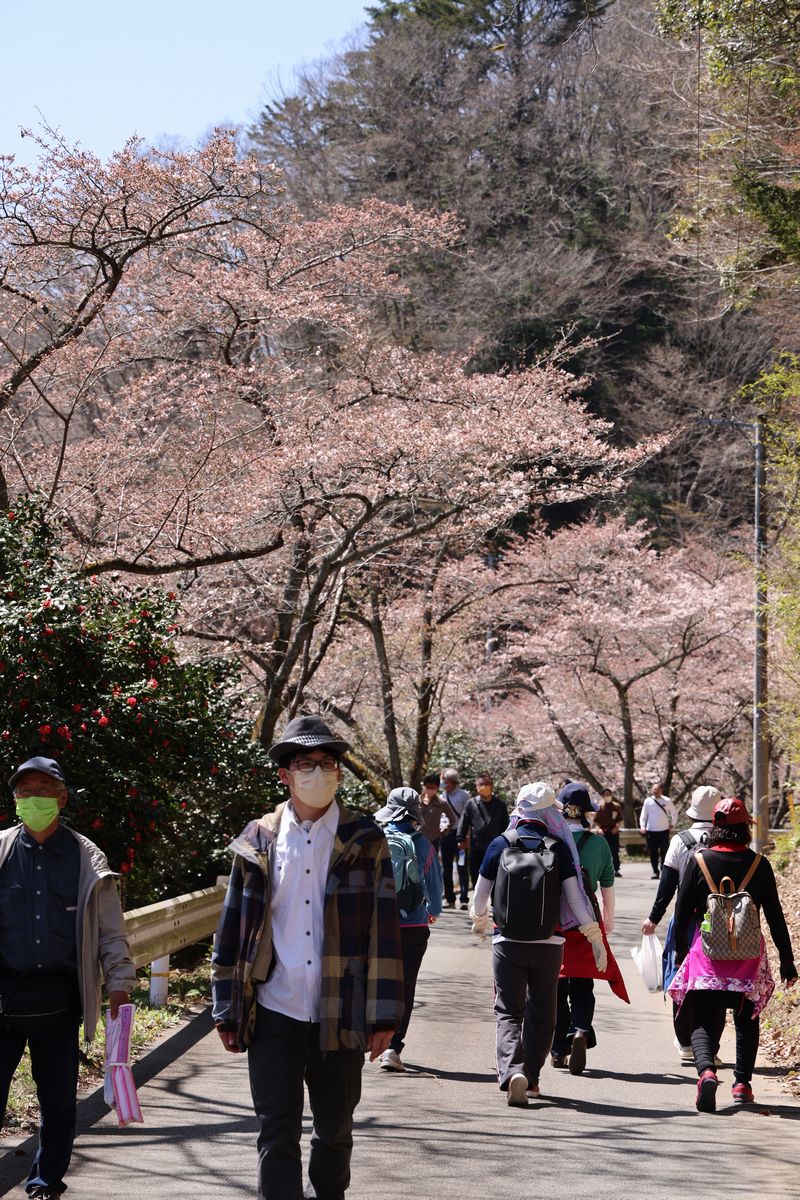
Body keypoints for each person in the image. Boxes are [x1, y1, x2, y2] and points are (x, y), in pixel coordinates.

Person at [211, 715, 404, 1200]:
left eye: (328, 763)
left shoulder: (365, 839)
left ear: (339, 772)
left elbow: (385, 928)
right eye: (306, 764)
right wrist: (226, 1007)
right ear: (285, 773)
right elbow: (234, 926)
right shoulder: (258, 839)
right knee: (276, 1132)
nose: (318, 772)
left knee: (334, 1131)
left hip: (341, 1008)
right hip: (274, 1008)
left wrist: (384, 1015)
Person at [0, 756, 136, 1200]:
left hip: (60, 997)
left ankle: (45, 1181)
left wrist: (120, 982)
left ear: (61, 797)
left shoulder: (86, 858)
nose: (33, 797)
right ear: (14, 799)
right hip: (3, 994)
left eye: (43, 789)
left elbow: (110, 930)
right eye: (25, 791)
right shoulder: (1, 850)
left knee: (58, 1102)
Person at [469, 782, 606, 1106]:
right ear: (547, 812)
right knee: (543, 1013)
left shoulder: (500, 844)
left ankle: (512, 1070)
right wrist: (594, 936)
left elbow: (480, 894)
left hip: (508, 942)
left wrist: (480, 921)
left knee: (507, 1011)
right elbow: (575, 899)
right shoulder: (557, 848)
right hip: (549, 944)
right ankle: (532, 1078)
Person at [669, 796, 797, 1112]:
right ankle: (742, 1084)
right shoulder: (759, 864)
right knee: (745, 1019)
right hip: (749, 960)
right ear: (744, 828)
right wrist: (787, 960)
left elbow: (683, 913)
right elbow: (775, 916)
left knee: (702, 1019)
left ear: (716, 827)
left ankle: (707, 1072)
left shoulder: (698, 861)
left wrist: (680, 952)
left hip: (707, 957)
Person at [641, 784, 720, 1063]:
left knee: (680, 976)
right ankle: (709, 1045)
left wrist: (654, 917)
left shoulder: (680, 841)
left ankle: (686, 1041)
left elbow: (667, 886)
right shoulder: (725, 840)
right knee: (714, 980)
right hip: (718, 924)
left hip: (686, 920)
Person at [550, 782, 621, 1075]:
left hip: (553, 920)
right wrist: (607, 923)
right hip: (586, 920)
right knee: (582, 981)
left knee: (555, 983)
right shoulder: (599, 844)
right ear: (588, 811)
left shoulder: (551, 839)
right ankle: (580, 1028)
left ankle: (558, 1049)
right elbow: (607, 889)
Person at [374, 787, 442, 1072]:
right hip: (413, 926)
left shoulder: (374, 840)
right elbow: (435, 894)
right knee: (405, 986)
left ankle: (369, 1036)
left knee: (376, 982)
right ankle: (393, 1047)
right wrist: (432, 913)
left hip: (377, 924)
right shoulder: (424, 845)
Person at [457, 774, 509, 889]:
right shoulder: (471, 804)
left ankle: (494, 903)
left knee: (496, 875)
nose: (484, 787)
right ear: (477, 787)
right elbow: (464, 821)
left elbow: (505, 826)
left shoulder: (500, 805)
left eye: (486, 784)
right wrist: (460, 838)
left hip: (495, 847)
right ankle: (479, 903)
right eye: (481, 784)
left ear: (492, 786)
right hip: (476, 845)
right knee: (476, 874)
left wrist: (507, 842)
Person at [439, 768, 470, 908]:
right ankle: (450, 899)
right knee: (446, 869)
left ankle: (464, 899)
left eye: (444, 780)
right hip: (445, 835)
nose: (442, 783)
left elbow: (468, 817)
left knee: (462, 866)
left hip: (460, 834)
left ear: (451, 781)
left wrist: (467, 836)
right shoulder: (442, 796)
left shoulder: (464, 795)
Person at [639, 782, 677, 878]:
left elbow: (674, 812)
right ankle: (655, 872)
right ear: (652, 790)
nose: (655, 791)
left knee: (664, 852)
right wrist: (642, 826)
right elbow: (643, 815)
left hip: (663, 830)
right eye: (654, 789)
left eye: (657, 789)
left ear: (661, 790)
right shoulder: (648, 801)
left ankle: (663, 870)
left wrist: (672, 824)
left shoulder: (667, 800)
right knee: (653, 853)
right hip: (651, 830)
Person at [417, 771, 457, 851]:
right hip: (417, 838)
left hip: (433, 840)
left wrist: (444, 832)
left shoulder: (441, 802)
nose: (430, 790)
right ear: (424, 786)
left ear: (437, 788)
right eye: (428, 787)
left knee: (432, 862)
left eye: (433, 788)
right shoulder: (415, 800)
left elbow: (452, 819)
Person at [594, 787, 624, 876]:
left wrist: (617, 827)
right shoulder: (599, 806)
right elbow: (596, 821)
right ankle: (603, 869)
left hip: (613, 831)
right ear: (603, 796)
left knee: (614, 850)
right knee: (603, 851)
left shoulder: (616, 806)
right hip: (603, 831)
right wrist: (599, 829)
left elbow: (620, 819)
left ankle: (616, 869)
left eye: (609, 795)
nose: (608, 796)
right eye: (606, 795)